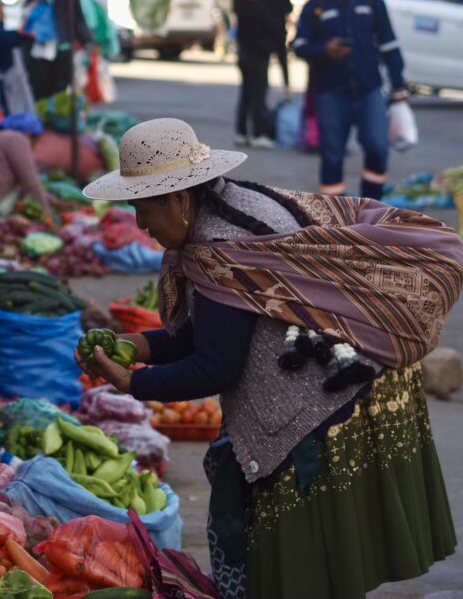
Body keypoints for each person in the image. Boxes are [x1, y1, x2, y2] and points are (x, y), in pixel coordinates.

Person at [78, 118, 461, 599]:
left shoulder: (223, 251)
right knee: (326, 568)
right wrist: (142, 346)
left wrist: (132, 384)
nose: (141, 226)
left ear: (178, 199)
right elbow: (212, 329)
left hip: (318, 411)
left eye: (145, 210)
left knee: (301, 571)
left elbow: (215, 366)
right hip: (345, 384)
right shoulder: (234, 202)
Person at [292, 0, 409, 199]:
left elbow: (389, 44)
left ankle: (371, 207)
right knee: (332, 156)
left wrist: (398, 84)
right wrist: (324, 50)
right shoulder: (316, 6)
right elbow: (298, 45)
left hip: (368, 90)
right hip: (330, 93)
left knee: (378, 148)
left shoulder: (371, 0)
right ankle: (337, 217)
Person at [233, 0, 284, 148]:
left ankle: (241, 132)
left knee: (246, 95)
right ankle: (257, 133)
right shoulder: (257, 7)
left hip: (243, 56)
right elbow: (274, 27)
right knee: (258, 96)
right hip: (257, 58)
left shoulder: (240, 5)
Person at [258, 0, 292, 90]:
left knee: (265, 62)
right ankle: (286, 85)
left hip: (265, 33)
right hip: (278, 31)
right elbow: (289, 8)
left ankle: (264, 86)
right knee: (282, 60)